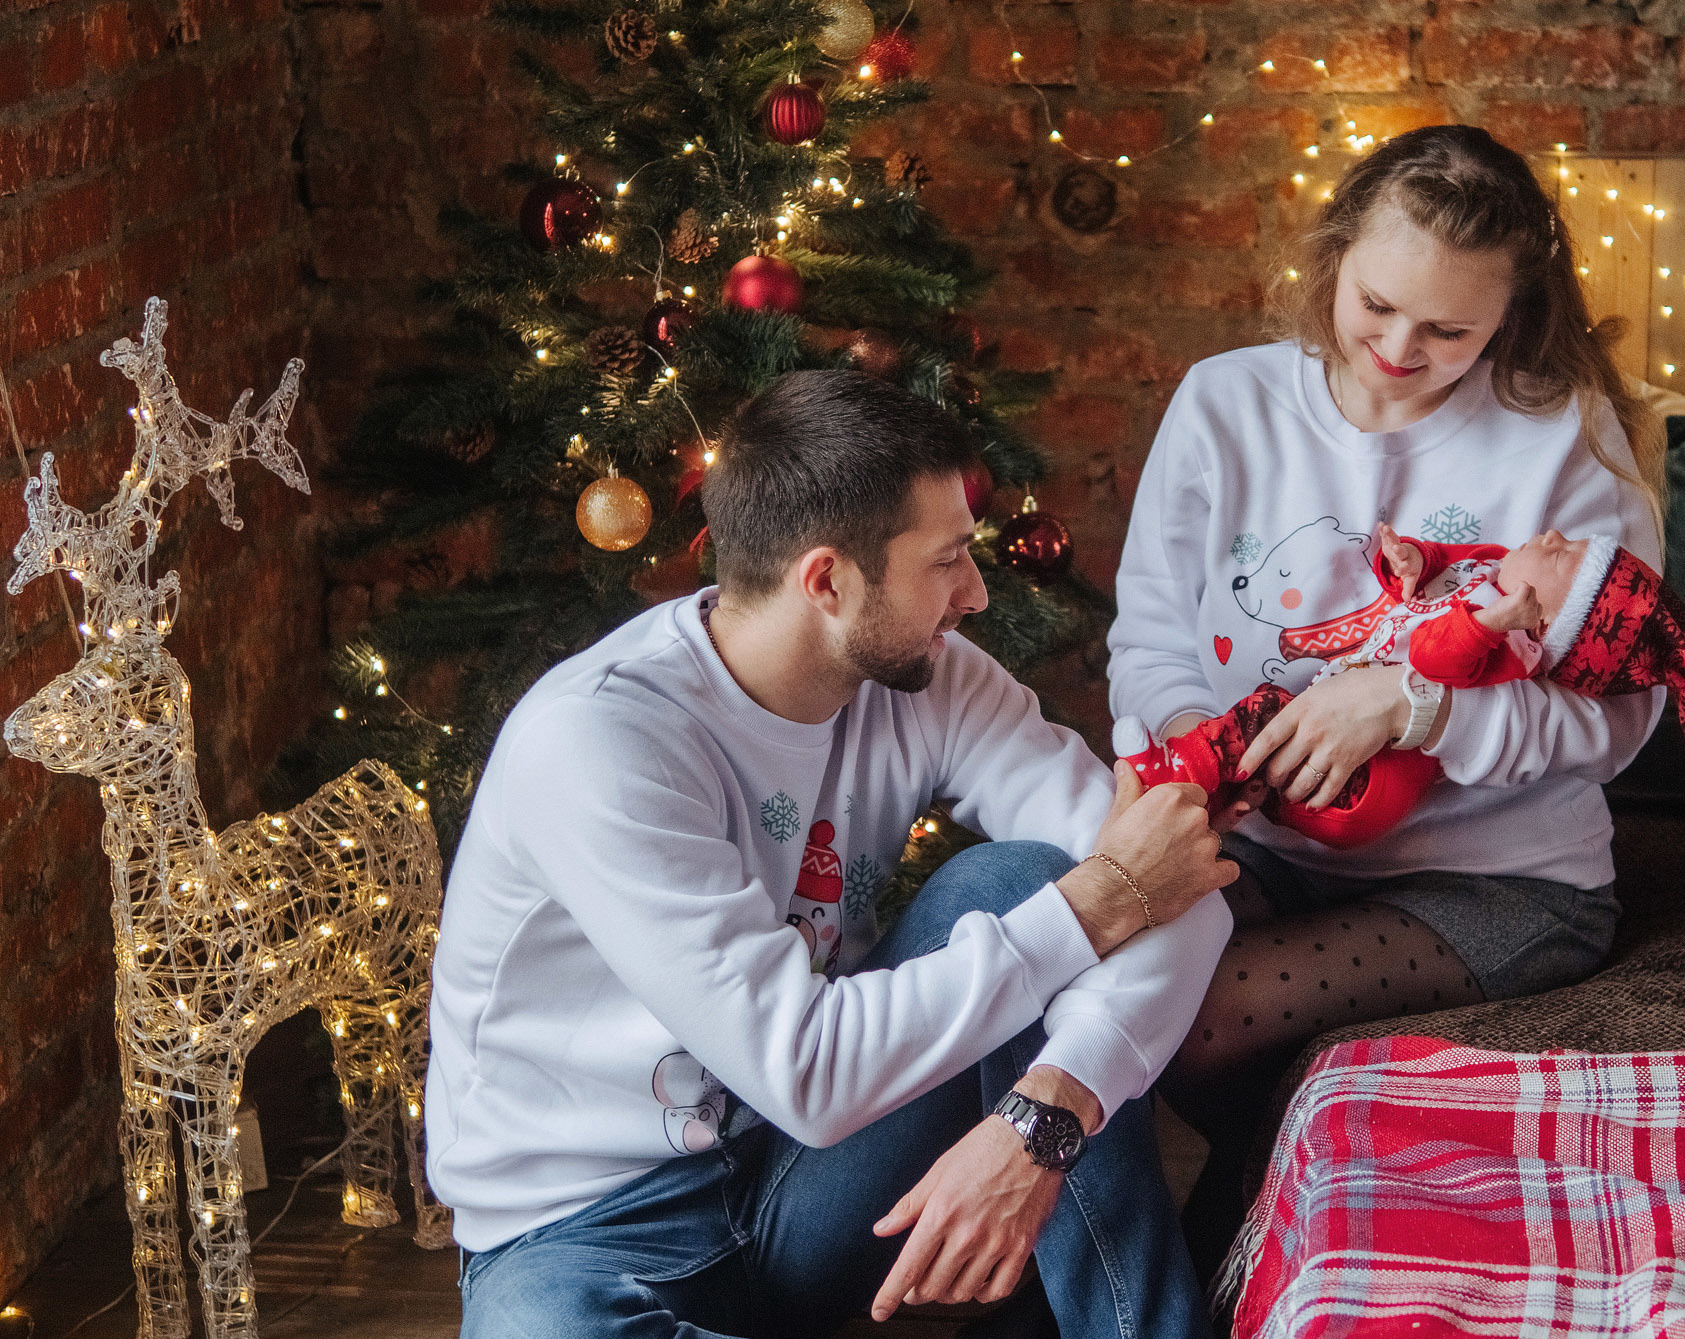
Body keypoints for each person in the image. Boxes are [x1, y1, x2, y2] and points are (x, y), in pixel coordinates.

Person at [429, 369, 1243, 1339]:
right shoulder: (599, 743)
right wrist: (1105, 898)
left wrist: (1046, 1118)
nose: (976, 595)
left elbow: (1180, 880)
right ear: (827, 580)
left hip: (811, 1181)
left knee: (1017, 882)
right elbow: (807, 1070)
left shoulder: (934, 682)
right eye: (947, 561)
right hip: (586, 1235)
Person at [1106, 124, 1669, 1264]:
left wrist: (1416, 709)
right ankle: (1164, 1276)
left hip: (1498, 881)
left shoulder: (1559, 437)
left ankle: (1188, 1281)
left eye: (1449, 329)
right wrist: (1200, 752)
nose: (1400, 349)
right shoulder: (1225, 403)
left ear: (1509, 317)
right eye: (1375, 305)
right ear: (1330, 262)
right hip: (1264, 844)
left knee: (1199, 1026)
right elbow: (1153, 636)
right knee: (1104, 987)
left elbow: (1619, 722)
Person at [1120, 524, 1685, 849]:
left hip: (1365, 791)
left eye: (1563, 553)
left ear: (1549, 620)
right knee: (1258, 747)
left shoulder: (1513, 644)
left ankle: (1175, 767)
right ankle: (1212, 787)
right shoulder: (1494, 570)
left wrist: (1490, 623)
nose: (1548, 534)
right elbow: (1446, 562)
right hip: (1316, 771)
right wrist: (1411, 561)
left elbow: (1433, 657)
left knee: (1263, 712)